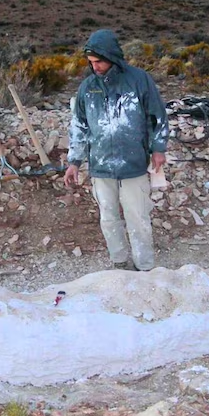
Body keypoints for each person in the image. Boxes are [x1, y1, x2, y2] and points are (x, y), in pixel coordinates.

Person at [64, 29, 169, 272]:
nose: (95, 67)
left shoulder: (139, 80)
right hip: (101, 166)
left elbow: (158, 116)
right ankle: (120, 264)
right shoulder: (87, 88)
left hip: (133, 164)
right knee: (109, 219)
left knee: (138, 219)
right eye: (91, 63)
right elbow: (79, 125)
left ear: (112, 56)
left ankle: (145, 267)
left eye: (99, 61)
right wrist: (74, 162)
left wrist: (158, 148)